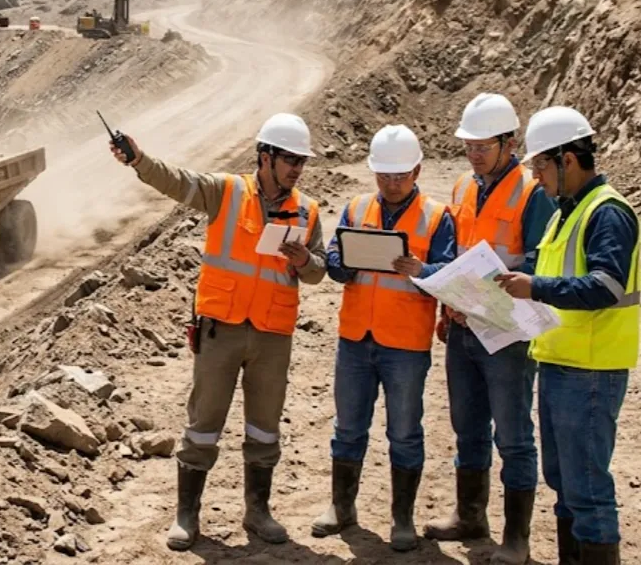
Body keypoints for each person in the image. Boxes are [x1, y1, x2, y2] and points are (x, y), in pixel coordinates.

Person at [110, 112, 327, 550]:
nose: (297, 169)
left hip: (272, 334)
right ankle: (187, 515)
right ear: (265, 157)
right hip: (221, 329)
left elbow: (318, 272)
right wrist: (139, 160)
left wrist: (304, 259)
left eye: (302, 161)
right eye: (290, 159)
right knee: (204, 423)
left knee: (265, 426)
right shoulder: (226, 191)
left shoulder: (307, 210)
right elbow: (177, 181)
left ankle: (258, 511)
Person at [496, 106, 639, 565]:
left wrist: (535, 287)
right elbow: (550, 273)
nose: (536, 177)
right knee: (565, 484)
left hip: (592, 372)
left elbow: (606, 286)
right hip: (561, 362)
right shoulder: (564, 214)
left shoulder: (608, 213)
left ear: (568, 160)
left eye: (540, 166)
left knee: (588, 491)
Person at [424, 94, 556, 565]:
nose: (474, 155)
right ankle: (470, 517)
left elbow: (539, 263)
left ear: (509, 143)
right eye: (469, 146)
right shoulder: (463, 186)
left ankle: (516, 539)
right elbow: (456, 253)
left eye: (483, 146)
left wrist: (487, 298)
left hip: (506, 334)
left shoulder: (532, 191)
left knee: (514, 437)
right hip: (463, 327)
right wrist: (449, 307)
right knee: (468, 429)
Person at [312, 124, 455, 553]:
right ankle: (342, 507)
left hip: (405, 345)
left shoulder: (436, 217)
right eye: (384, 175)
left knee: (405, 433)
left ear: (417, 171)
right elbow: (334, 259)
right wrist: (345, 263)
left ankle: (402, 518)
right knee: (347, 428)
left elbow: (450, 274)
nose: (392, 184)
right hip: (356, 337)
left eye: (400, 175)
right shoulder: (356, 208)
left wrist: (422, 271)